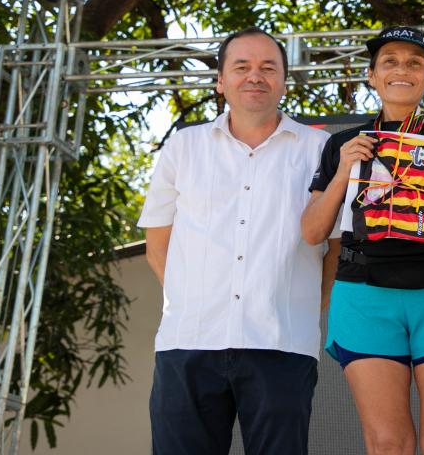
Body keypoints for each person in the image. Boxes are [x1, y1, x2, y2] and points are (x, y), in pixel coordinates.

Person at [300, 26, 424, 455]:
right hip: (364, 291)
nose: (402, 70)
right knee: (388, 442)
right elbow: (313, 231)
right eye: (389, 61)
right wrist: (343, 171)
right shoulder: (343, 143)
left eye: (415, 63)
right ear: (371, 75)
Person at [137, 27, 337, 455]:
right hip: (186, 344)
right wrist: (193, 301)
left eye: (268, 67)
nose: (255, 76)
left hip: (282, 345)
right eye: (241, 66)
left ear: (284, 80)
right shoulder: (183, 146)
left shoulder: (321, 148)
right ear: (220, 80)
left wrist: (298, 309)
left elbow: (336, 248)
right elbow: (159, 247)